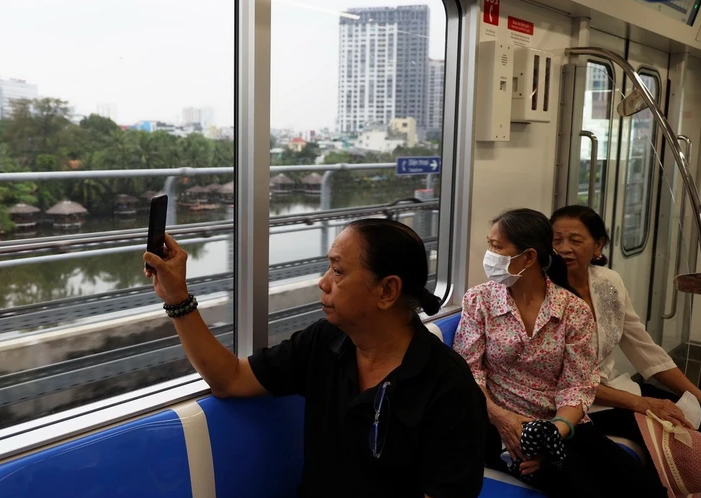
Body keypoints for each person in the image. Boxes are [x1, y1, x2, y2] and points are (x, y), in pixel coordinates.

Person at [144, 218, 488, 498]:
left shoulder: (448, 386)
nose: (322, 282)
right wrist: (177, 297)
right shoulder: (326, 342)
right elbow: (230, 378)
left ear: (387, 291)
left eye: (337, 272)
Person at [453, 208, 668, 498]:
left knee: (642, 488)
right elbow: (468, 370)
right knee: (582, 485)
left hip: (561, 424)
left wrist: (553, 433)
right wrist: (500, 416)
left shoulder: (572, 310)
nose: (489, 254)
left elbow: (577, 386)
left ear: (528, 257)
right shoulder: (479, 300)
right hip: (497, 422)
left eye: (496, 247)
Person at [550, 204, 701, 442]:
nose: (563, 249)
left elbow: (643, 348)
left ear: (597, 246)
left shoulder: (609, 282)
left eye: (575, 240)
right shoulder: (545, 292)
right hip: (573, 404)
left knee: (694, 414)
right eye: (556, 240)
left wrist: (696, 395)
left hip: (615, 388)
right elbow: (562, 379)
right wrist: (642, 404)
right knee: (677, 435)